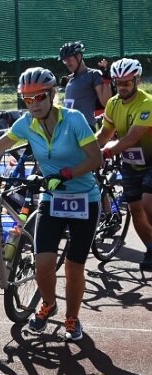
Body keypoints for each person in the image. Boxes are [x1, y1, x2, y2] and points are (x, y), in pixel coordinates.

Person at [0, 67, 102, 341]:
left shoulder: (74, 120)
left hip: (84, 199)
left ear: (52, 95)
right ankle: (48, 305)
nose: (34, 104)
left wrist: (65, 174)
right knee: (42, 263)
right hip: (52, 199)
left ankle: (72, 318)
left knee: (74, 267)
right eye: (27, 100)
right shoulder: (26, 124)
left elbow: (95, 159)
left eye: (39, 97)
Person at [97, 58, 152, 271]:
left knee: (148, 203)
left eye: (126, 83)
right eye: (118, 83)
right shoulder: (112, 103)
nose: (121, 87)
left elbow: (131, 137)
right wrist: (84, 148)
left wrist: (107, 151)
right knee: (136, 209)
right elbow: (104, 134)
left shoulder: (147, 103)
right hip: (130, 164)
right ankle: (150, 248)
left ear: (136, 80)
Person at [58, 41, 112, 130]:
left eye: (69, 59)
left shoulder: (93, 74)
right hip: (68, 128)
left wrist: (106, 79)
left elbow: (106, 102)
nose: (67, 63)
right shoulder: (71, 78)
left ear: (79, 56)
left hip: (85, 127)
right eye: (65, 60)